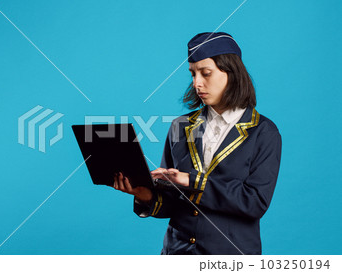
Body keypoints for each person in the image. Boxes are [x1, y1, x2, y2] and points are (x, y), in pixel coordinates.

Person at [112, 32, 282, 255]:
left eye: (206, 73)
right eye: (193, 74)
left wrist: (191, 180)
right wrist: (144, 194)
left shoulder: (263, 132)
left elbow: (254, 203)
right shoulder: (180, 126)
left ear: (232, 73)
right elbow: (173, 201)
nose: (197, 83)